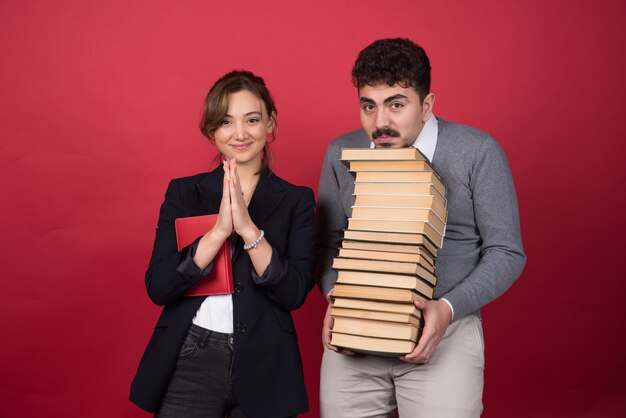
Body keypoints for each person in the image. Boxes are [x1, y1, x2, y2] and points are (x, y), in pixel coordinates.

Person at [316, 38, 526, 417]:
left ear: (426, 105)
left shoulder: (477, 151)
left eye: (396, 105)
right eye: (369, 106)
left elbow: (506, 252)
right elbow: (329, 241)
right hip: (355, 334)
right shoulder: (340, 153)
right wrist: (335, 296)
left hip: (446, 335)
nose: (381, 122)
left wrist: (447, 308)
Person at [130, 70, 316, 417]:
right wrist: (217, 233)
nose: (240, 133)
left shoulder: (298, 201)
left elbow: (293, 293)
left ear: (271, 124)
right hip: (191, 354)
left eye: (252, 119)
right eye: (226, 122)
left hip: (267, 361)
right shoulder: (183, 193)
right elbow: (159, 287)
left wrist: (249, 231)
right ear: (212, 131)